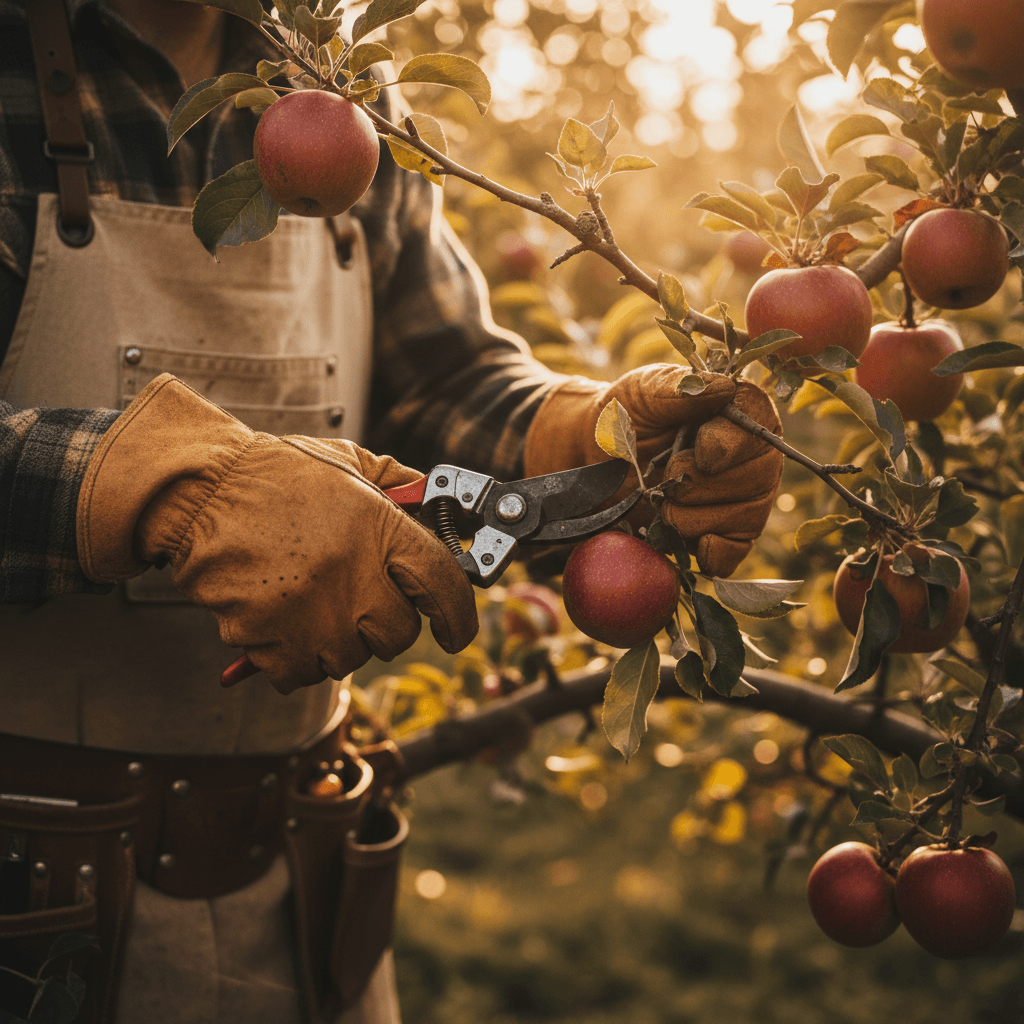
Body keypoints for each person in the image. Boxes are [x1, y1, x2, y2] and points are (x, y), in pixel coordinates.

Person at [0, 1, 785, 1022]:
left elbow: (445, 378)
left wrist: (594, 443)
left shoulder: (341, 103)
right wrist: (155, 485)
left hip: (299, 897)